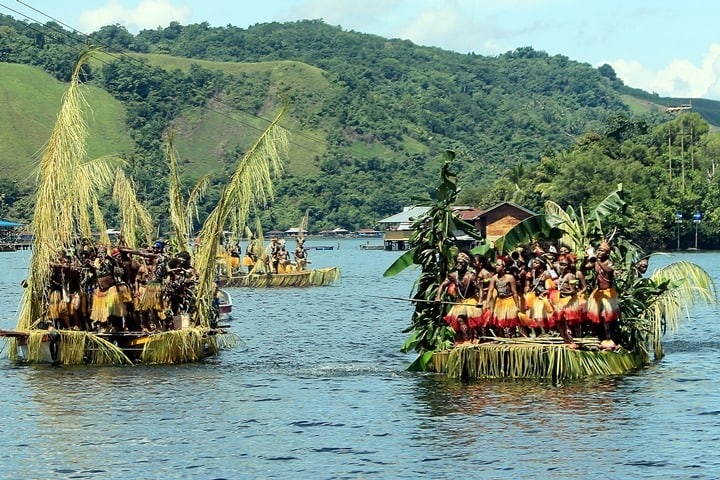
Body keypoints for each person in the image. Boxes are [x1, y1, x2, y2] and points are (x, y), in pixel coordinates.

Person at [435, 252, 483, 345]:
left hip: (471, 300)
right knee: (460, 319)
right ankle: (465, 338)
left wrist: (480, 301)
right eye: (458, 262)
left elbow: (480, 289)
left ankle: (475, 337)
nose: (459, 265)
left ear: (466, 264)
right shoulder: (453, 275)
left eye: (462, 263)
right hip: (460, 302)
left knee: (471, 321)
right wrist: (438, 296)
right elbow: (443, 285)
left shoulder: (471, 276)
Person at [585, 240, 619, 350]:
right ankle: (600, 338)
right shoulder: (595, 261)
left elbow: (609, 271)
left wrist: (597, 261)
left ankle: (609, 340)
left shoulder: (609, 263)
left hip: (608, 293)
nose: (599, 252)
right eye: (598, 250)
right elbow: (584, 268)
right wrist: (587, 256)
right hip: (598, 293)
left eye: (602, 250)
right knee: (596, 317)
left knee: (606, 317)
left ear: (607, 253)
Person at [551, 254, 586, 348]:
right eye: (561, 264)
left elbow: (573, 290)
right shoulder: (561, 276)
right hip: (561, 301)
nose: (561, 267)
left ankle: (572, 342)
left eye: (564, 265)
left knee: (568, 324)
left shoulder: (570, 276)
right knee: (559, 322)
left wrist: (563, 292)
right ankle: (566, 340)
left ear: (569, 266)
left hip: (569, 302)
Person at [484, 257, 520, 337]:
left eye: (498, 265)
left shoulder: (510, 278)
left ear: (504, 267)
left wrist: (517, 306)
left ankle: (513, 337)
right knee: (499, 322)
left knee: (510, 321)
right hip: (499, 301)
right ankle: (502, 337)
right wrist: (487, 303)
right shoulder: (494, 278)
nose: (496, 266)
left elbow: (514, 292)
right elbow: (490, 290)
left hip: (509, 301)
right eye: (496, 265)